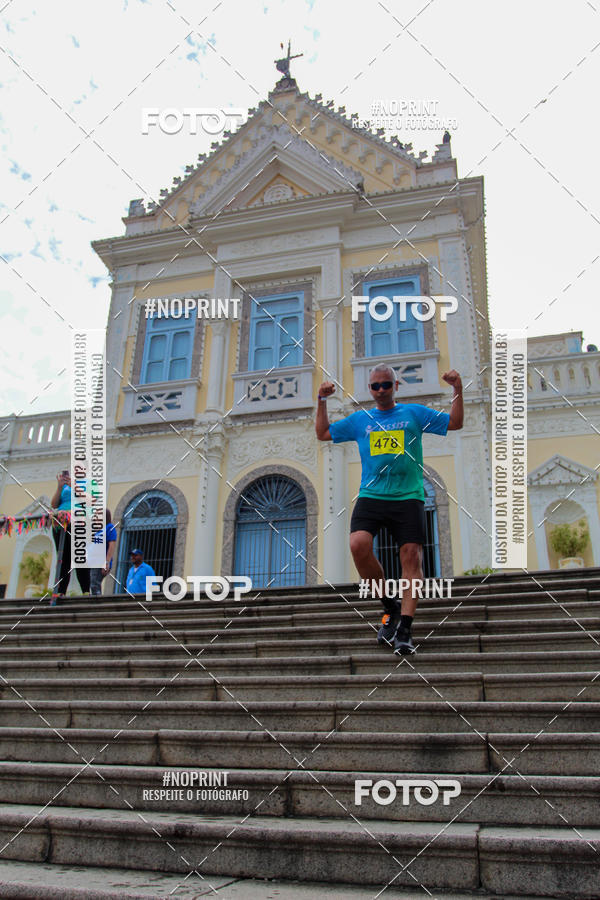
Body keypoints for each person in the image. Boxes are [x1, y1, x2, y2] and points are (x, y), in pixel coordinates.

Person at [315, 363, 463, 654]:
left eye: (386, 384)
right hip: (372, 495)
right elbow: (323, 434)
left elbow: (455, 423)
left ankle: (405, 629)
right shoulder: (361, 420)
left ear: (396, 386)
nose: (381, 390)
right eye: (375, 386)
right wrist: (321, 400)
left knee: (411, 558)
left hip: (408, 496)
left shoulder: (414, 414)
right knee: (358, 545)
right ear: (370, 390)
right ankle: (389, 606)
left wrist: (457, 389)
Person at [49, 470, 90, 601]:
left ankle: (85, 590)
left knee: (79, 555)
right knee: (63, 557)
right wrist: (59, 486)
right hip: (61, 521)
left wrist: (74, 486)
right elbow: (54, 504)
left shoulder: (87, 483)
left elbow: (89, 501)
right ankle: (61, 591)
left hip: (77, 521)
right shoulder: (64, 487)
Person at [89, 509, 117, 596]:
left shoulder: (110, 528)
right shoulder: (99, 530)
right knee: (93, 583)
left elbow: (111, 546)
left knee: (95, 583)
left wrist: (107, 562)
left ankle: (97, 604)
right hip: (94, 562)